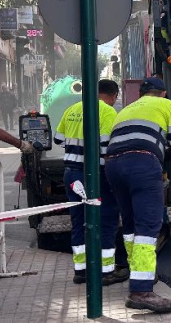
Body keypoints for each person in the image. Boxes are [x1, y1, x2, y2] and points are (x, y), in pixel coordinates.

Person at [105, 77, 171, 313]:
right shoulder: (167, 105)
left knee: (130, 224)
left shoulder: (126, 109)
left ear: (142, 94)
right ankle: (141, 291)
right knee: (148, 226)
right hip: (141, 163)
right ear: (162, 94)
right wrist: (158, 159)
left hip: (113, 165)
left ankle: (138, 274)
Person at [54, 79, 128, 286]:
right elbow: (106, 147)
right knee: (107, 219)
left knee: (79, 221)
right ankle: (106, 272)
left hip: (71, 174)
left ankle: (81, 271)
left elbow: (58, 139)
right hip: (96, 176)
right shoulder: (108, 112)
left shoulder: (72, 109)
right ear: (113, 95)